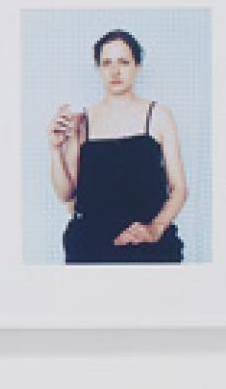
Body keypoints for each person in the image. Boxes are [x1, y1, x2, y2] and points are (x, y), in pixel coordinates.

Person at [48, 28, 187, 264]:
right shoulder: (82, 120)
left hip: (148, 244)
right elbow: (66, 194)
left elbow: (179, 188)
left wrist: (155, 229)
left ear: (137, 66)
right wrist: (54, 149)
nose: (115, 71)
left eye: (123, 62)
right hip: (89, 246)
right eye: (107, 63)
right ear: (98, 69)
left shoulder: (158, 115)